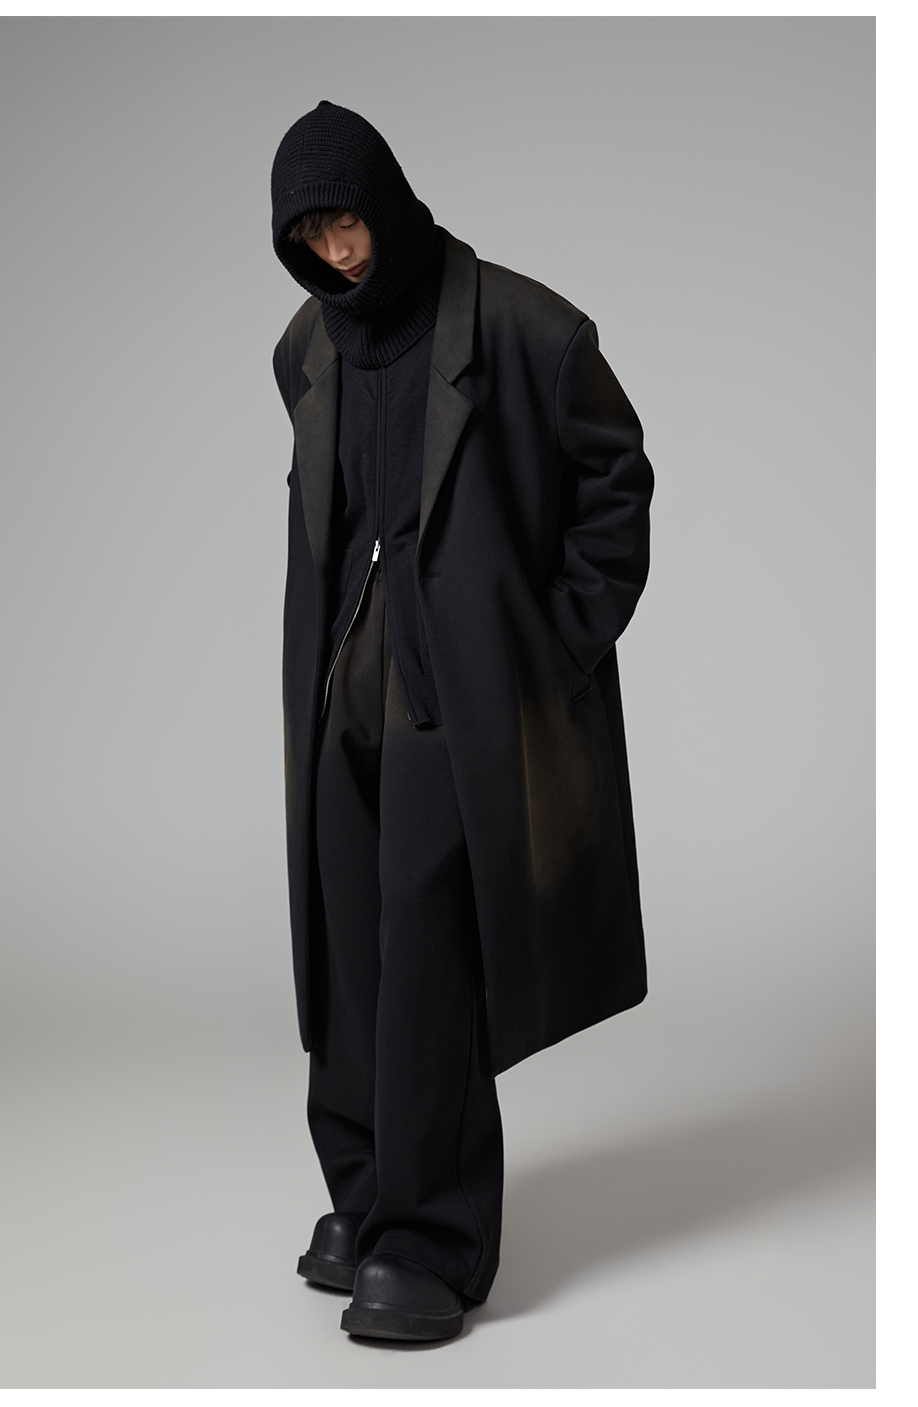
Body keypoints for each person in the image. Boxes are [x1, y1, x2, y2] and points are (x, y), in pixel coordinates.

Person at [271, 100, 653, 1342]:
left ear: (385, 198)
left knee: (429, 957)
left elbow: (617, 480)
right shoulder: (307, 349)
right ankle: (366, 1194)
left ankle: (429, 1239)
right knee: (346, 951)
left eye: (345, 222)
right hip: (341, 692)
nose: (336, 253)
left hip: (458, 702)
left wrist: (551, 647)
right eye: (309, 238)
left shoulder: (525, 328)